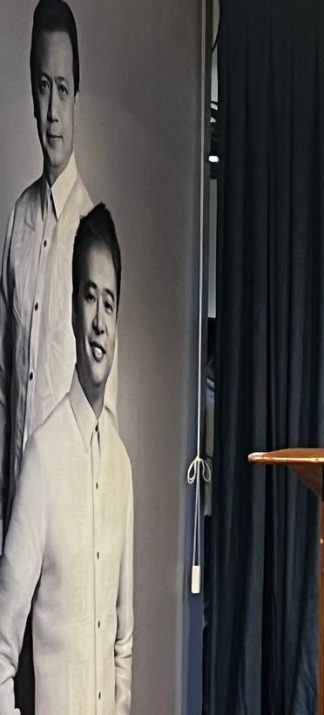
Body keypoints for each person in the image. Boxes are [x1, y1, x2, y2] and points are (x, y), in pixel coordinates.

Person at [0, 204, 133, 714]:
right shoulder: (43, 459)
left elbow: (124, 642)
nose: (99, 322)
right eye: (89, 297)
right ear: (73, 310)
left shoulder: (122, 468)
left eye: (110, 304)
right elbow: (2, 645)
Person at [0, 0, 116, 551]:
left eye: (63, 89)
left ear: (77, 97)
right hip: (10, 518)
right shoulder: (17, 221)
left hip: (63, 529)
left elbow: (102, 405)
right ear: (31, 92)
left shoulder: (93, 233)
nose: (52, 111)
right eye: (43, 87)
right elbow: (5, 383)